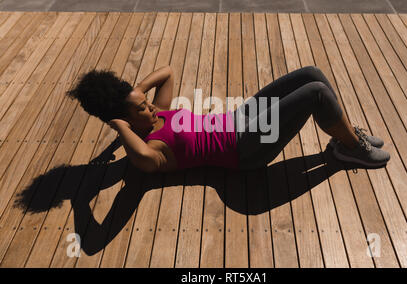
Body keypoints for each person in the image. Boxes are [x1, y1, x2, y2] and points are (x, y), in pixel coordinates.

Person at [66, 65, 390, 173]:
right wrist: (118, 123)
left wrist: (135, 93)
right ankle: (351, 148)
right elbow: (141, 156)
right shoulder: (151, 150)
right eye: (142, 108)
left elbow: (166, 72)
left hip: (239, 119)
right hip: (245, 149)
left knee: (310, 73)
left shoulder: (157, 113)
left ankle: (343, 134)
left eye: (147, 103)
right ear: (123, 121)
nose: (151, 108)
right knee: (316, 91)